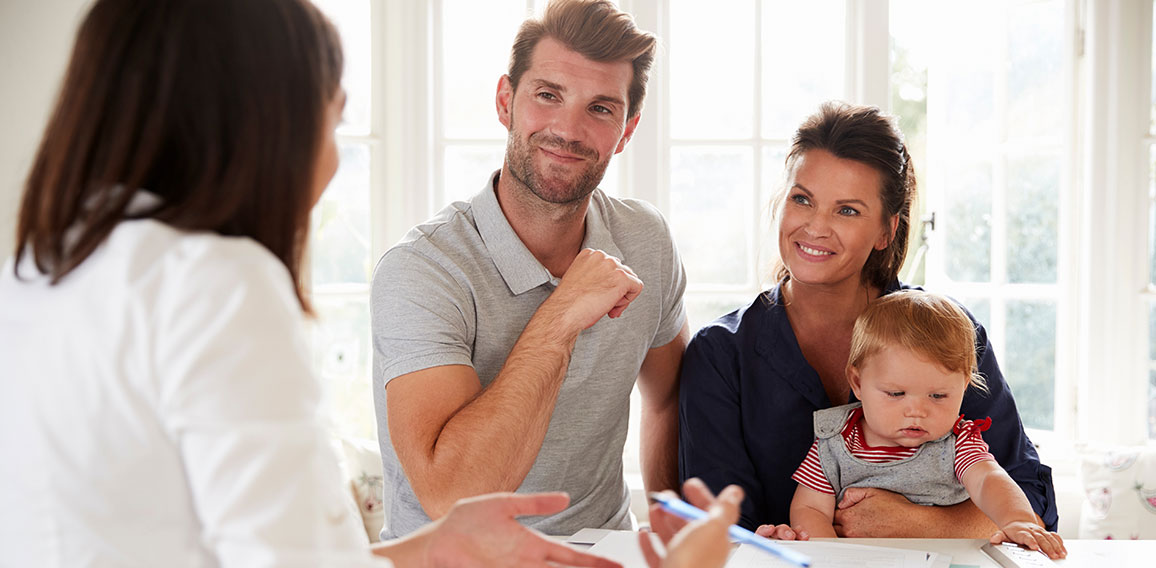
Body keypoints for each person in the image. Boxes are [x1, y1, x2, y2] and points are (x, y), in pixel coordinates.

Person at [0, 0, 727, 566]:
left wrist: (432, 548)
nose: (332, 155)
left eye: (600, 106)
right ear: (262, 121)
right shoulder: (220, 284)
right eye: (332, 116)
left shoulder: (43, 266)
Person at [370, 0, 687, 540]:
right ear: (505, 101)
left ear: (627, 130)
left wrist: (666, 526)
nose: (568, 128)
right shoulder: (422, 270)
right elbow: (451, 494)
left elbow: (670, 398)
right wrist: (562, 314)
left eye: (601, 108)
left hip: (603, 553)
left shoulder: (646, 240)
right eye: (548, 95)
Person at [678, 101, 1058, 538]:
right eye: (802, 199)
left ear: (886, 231)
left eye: (847, 210)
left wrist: (920, 524)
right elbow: (719, 528)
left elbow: (1033, 504)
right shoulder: (720, 355)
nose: (816, 227)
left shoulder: (950, 333)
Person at [783, 291, 1066, 558]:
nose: (917, 411)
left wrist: (1017, 520)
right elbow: (809, 508)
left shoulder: (958, 442)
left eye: (938, 396)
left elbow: (988, 480)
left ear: (964, 387)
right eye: (896, 394)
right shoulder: (836, 441)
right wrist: (831, 556)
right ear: (857, 383)